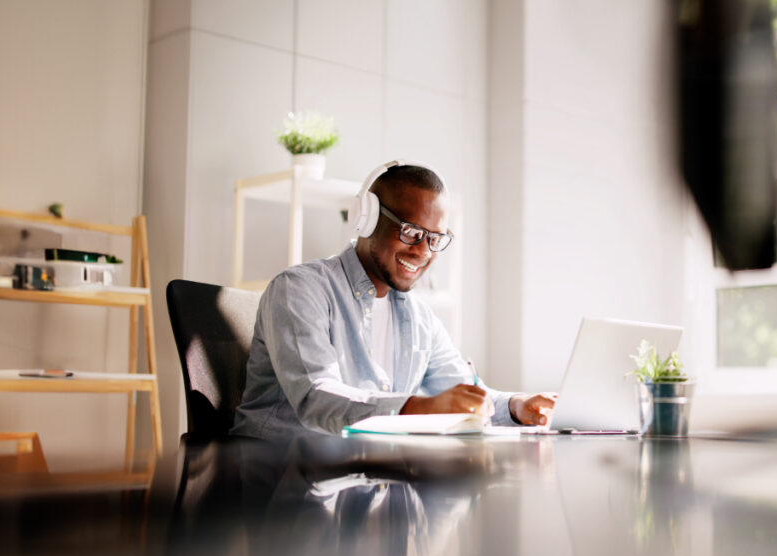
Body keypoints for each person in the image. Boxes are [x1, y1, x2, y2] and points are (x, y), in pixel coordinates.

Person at [231, 160, 555, 442]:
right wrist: (418, 408)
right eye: (412, 232)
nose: (424, 251)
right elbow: (316, 397)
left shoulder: (420, 320)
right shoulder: (299, 291)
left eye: (435, 238)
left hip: (361, 482)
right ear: (368, 218)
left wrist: (517, 406)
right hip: (281, 486)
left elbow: (466, 393)